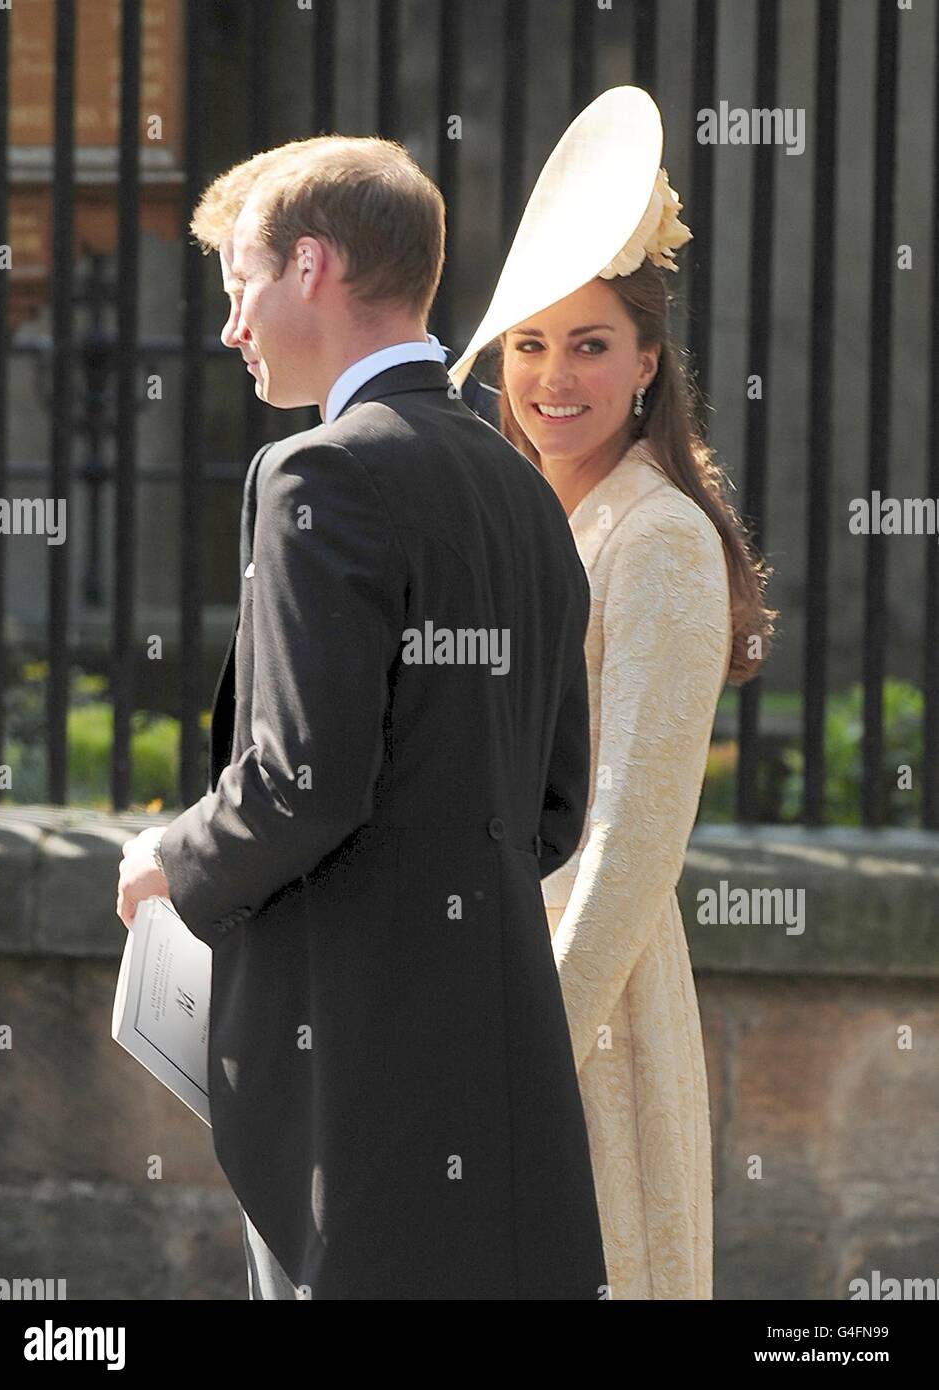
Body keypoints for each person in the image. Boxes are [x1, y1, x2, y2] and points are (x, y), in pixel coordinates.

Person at [115, 134, 607, 1300]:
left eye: (240, 282)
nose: (231, 324)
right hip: (495, 1078)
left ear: (310, 267)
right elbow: (550, 811)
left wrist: (168, 860)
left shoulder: (317, 473)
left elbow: (301, 782)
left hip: (349, 1079)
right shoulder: (521, 489)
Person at [451, 86, 778, 1299]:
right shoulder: (542, 515)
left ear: (647, 361)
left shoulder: (658, 537)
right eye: (529, 344)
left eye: (589, 344)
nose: (552, 377)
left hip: (587, 1010)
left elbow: (631, 836)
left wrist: (531, 1041)